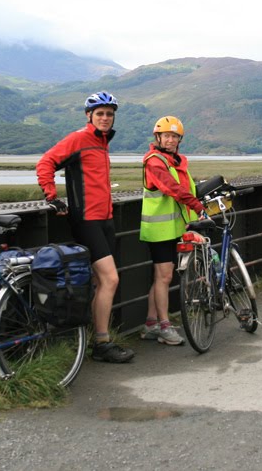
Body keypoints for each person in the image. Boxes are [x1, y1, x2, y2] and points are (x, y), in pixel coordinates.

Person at [36, 91, 135, 363]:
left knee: (97, 281)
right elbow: (46, 162)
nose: (105, 118)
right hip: (86, 219)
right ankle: (102, 343)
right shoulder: (79, 138)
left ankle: (91, 338)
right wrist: (51, 196)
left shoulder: (102, 143)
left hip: (104, 219)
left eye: (109, 114)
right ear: (89, 115)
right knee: (110, 279)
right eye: (100, 114)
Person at [139, 116, 205, 346]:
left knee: (161, 277)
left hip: (173, 227)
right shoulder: (155, 161)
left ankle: (150, 324)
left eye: (174, 136)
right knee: (165, 277)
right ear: (157, 137)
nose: (170, 140)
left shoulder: (174, 161)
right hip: (159, 231)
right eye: (166, 135)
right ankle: (165, 326)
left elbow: (185, 188)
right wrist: (197, 205)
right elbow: (171, 188)